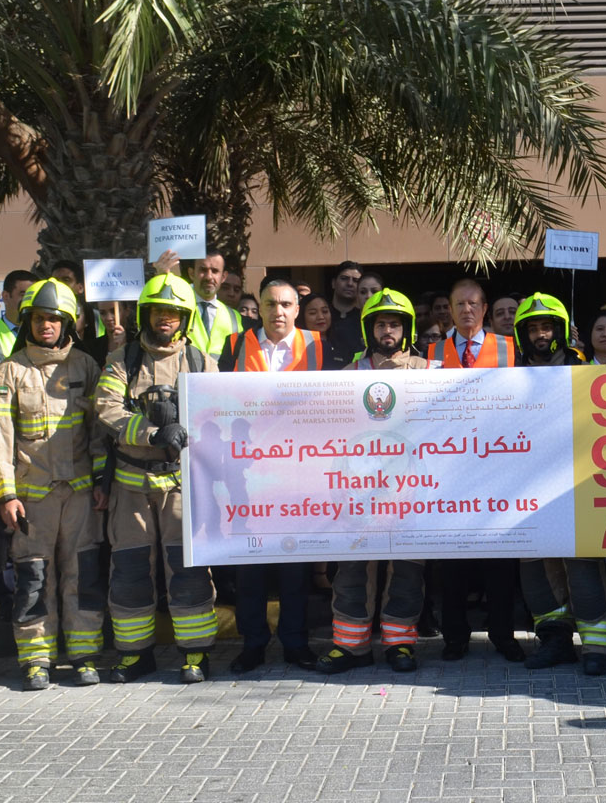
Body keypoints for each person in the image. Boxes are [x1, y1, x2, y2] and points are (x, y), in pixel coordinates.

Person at [96, 274, 221, 683]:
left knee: (188, 572)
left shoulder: (202, 362)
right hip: (131, 487)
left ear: (183, 318)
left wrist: (187, 430)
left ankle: (196, 654)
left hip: (181, 487)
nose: (163, 319)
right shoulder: (122, 359)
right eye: (157, 311)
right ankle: (135, 655)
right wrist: (153, 434)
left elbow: (219, 414)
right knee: (130, 572)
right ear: (145, 315)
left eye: (172, 312)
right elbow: (108, 411)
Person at [0, 278, 106, 689]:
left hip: (80, 496)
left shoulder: (86, 367)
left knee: (82, 574)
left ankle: (84, 654)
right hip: (32, 500)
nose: (47, 326)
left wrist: (101, 481)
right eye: (39, 318)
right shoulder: (10, 371)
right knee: (34, 578)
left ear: (69, 322)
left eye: (55, 319)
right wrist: (5, 495)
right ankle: (36, 659)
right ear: (27, 321)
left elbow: (99, 432)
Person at [511, 294, 606, 674]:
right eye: (532, 328)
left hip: (578, 486)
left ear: (560, 331)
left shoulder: (585, 368)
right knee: (536, 570)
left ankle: (597, 647)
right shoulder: (507, 377)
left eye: (547, 327)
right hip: (527, 489)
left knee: (583, 567)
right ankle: (555, 641)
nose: (540, 334)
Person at [321, 289, 434, 675]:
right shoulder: (349, 376)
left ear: (406, 329)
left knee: (406, 572)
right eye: (381, 324)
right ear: (370, 330)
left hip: (409, 494)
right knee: (351, 571)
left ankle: (400, 645)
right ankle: (349, 647)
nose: (388, 331)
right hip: (358, 495)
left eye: (395, 324)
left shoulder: (428, 373)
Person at [217, 277, 321, 673]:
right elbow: (217, 402)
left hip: (298, 472)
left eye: (286, 304)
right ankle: (254, 643)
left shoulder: (317, 346)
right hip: (247, 472)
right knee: (250, 565)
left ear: (297, 309)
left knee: (296, 564)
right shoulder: (233, 346)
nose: (278, 311)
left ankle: (295, 643)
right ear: (258, 307)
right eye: (270, 304)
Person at [424, 279, 526, 661]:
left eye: (473, 304)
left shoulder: (509, 348)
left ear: (485, 310)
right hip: (450, 470)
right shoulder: (432, 352)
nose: (467, 310)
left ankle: (503, 634)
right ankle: (455, 637)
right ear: (448, 310)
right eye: (459, 304)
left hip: (497, 470)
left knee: (500, 560)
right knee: (453, 562)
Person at [159, 252, 246, 361]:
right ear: (191, 273)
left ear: (223, 277)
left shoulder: (234, 317)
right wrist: (161, 275)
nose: (209, 277)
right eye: (203, 270)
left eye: (215, 271)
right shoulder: (175, 307)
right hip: (182, 376)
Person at [325, 261, 366, 364]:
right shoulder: (321, 317)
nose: (350, 284)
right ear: (333, 283)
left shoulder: (365, 320)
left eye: (356, 280)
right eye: (344, 278)